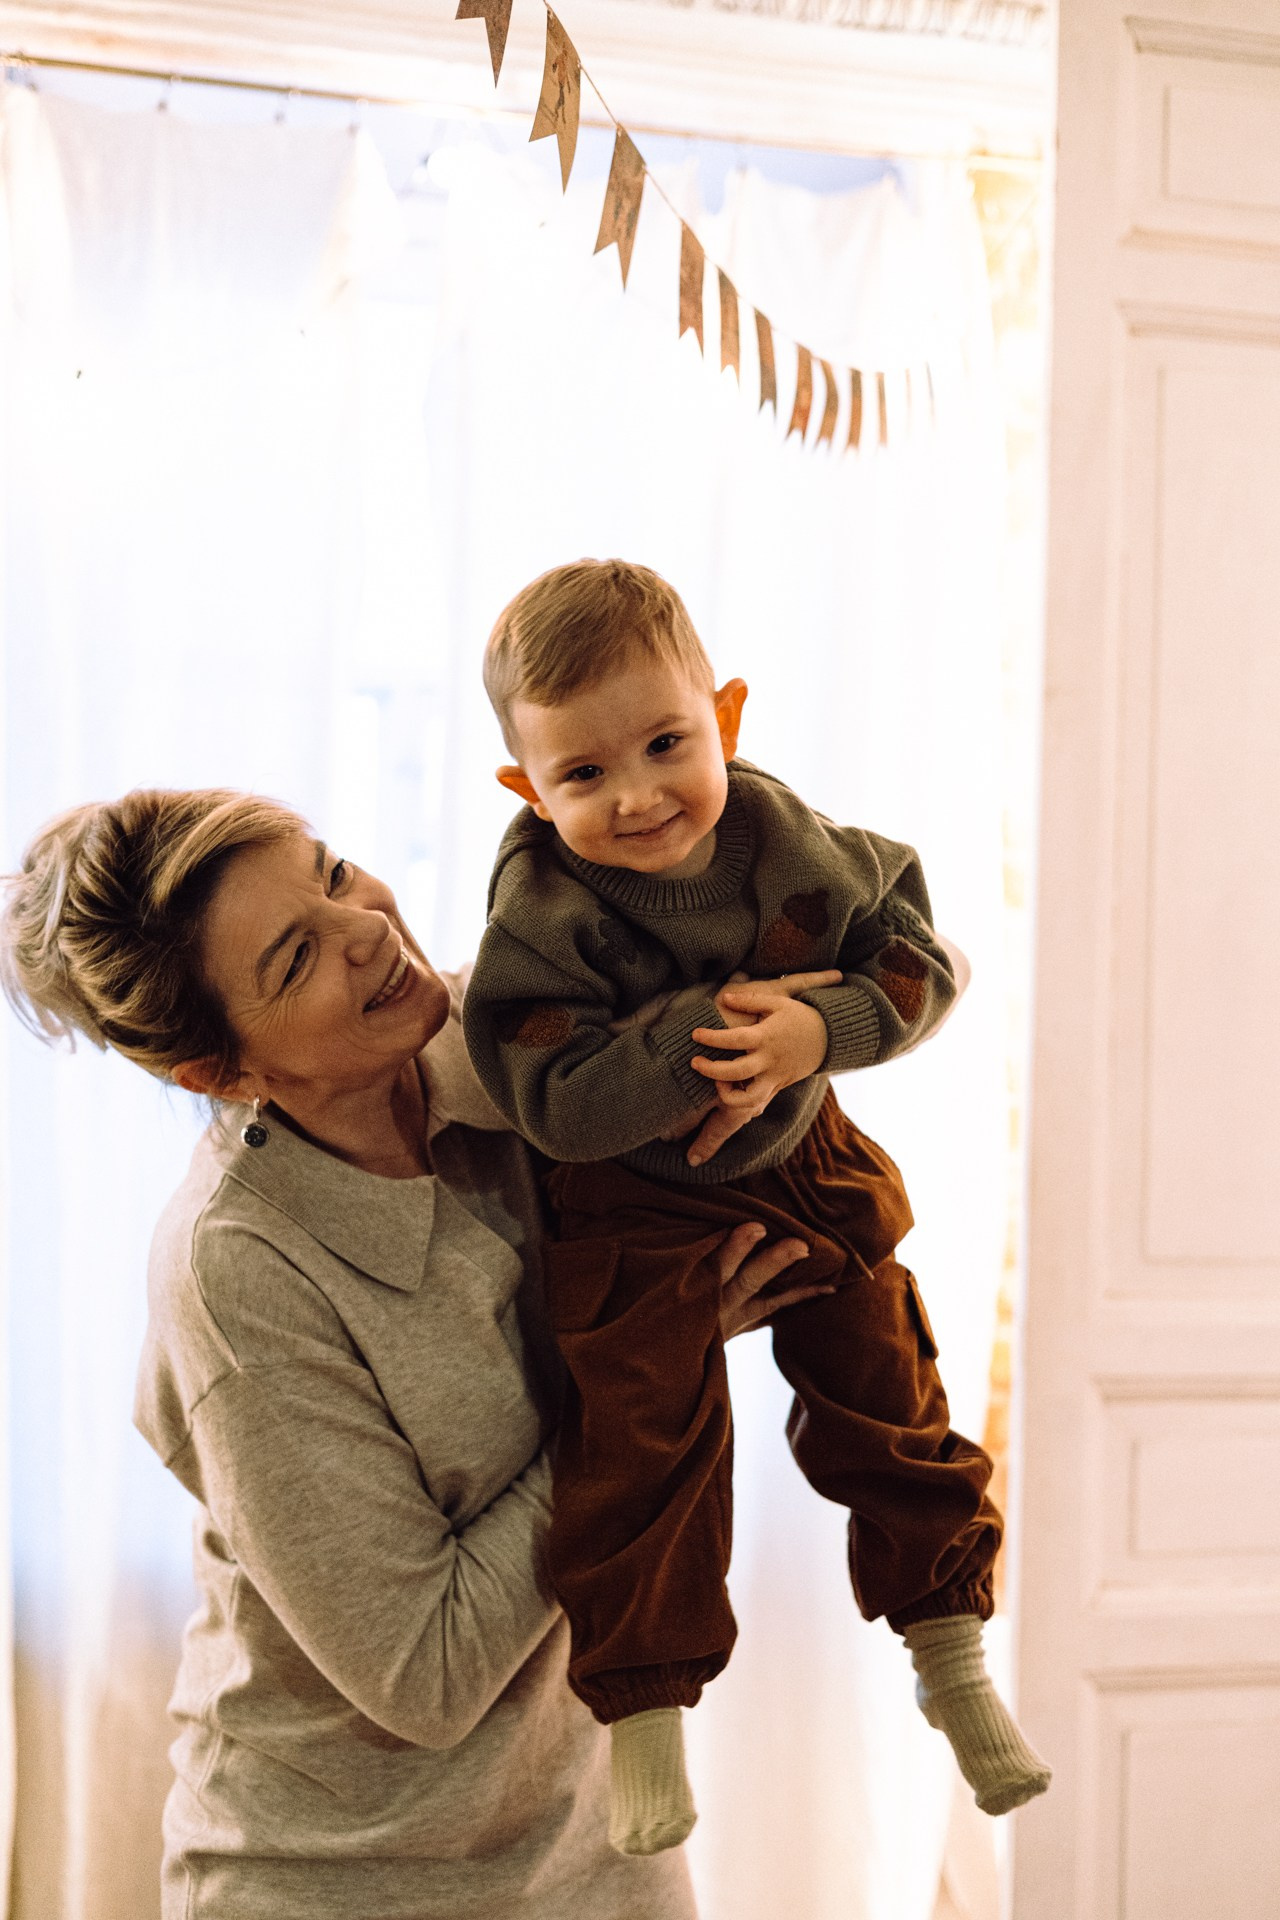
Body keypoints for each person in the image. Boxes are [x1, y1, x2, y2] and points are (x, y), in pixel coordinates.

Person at [0, 786, 829, 1920]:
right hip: (341, 1880)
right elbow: (427, 1673)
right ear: (220, 1073)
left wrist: (789, 1029)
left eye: (333, 873)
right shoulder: (237, 1272)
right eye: (296, 958)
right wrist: (648, 1366)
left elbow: (872, 964)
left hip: (601, 1847)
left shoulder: (510, 1046)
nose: (365, 930)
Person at [462, 559, 1052, 1856]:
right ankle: (645, 1716)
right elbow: (553, 1099)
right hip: (632, 1203)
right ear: (528, 789)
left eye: (666, 745)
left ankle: (949, 1658)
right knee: (643, 1448)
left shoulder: (789, 842)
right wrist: (707, 1037)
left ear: (722, 717)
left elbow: (918, 958)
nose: (637, 795)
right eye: (583, 774)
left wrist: (820, 1031)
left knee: (888, 1391)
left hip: (799, 1157)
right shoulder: (544, 909)